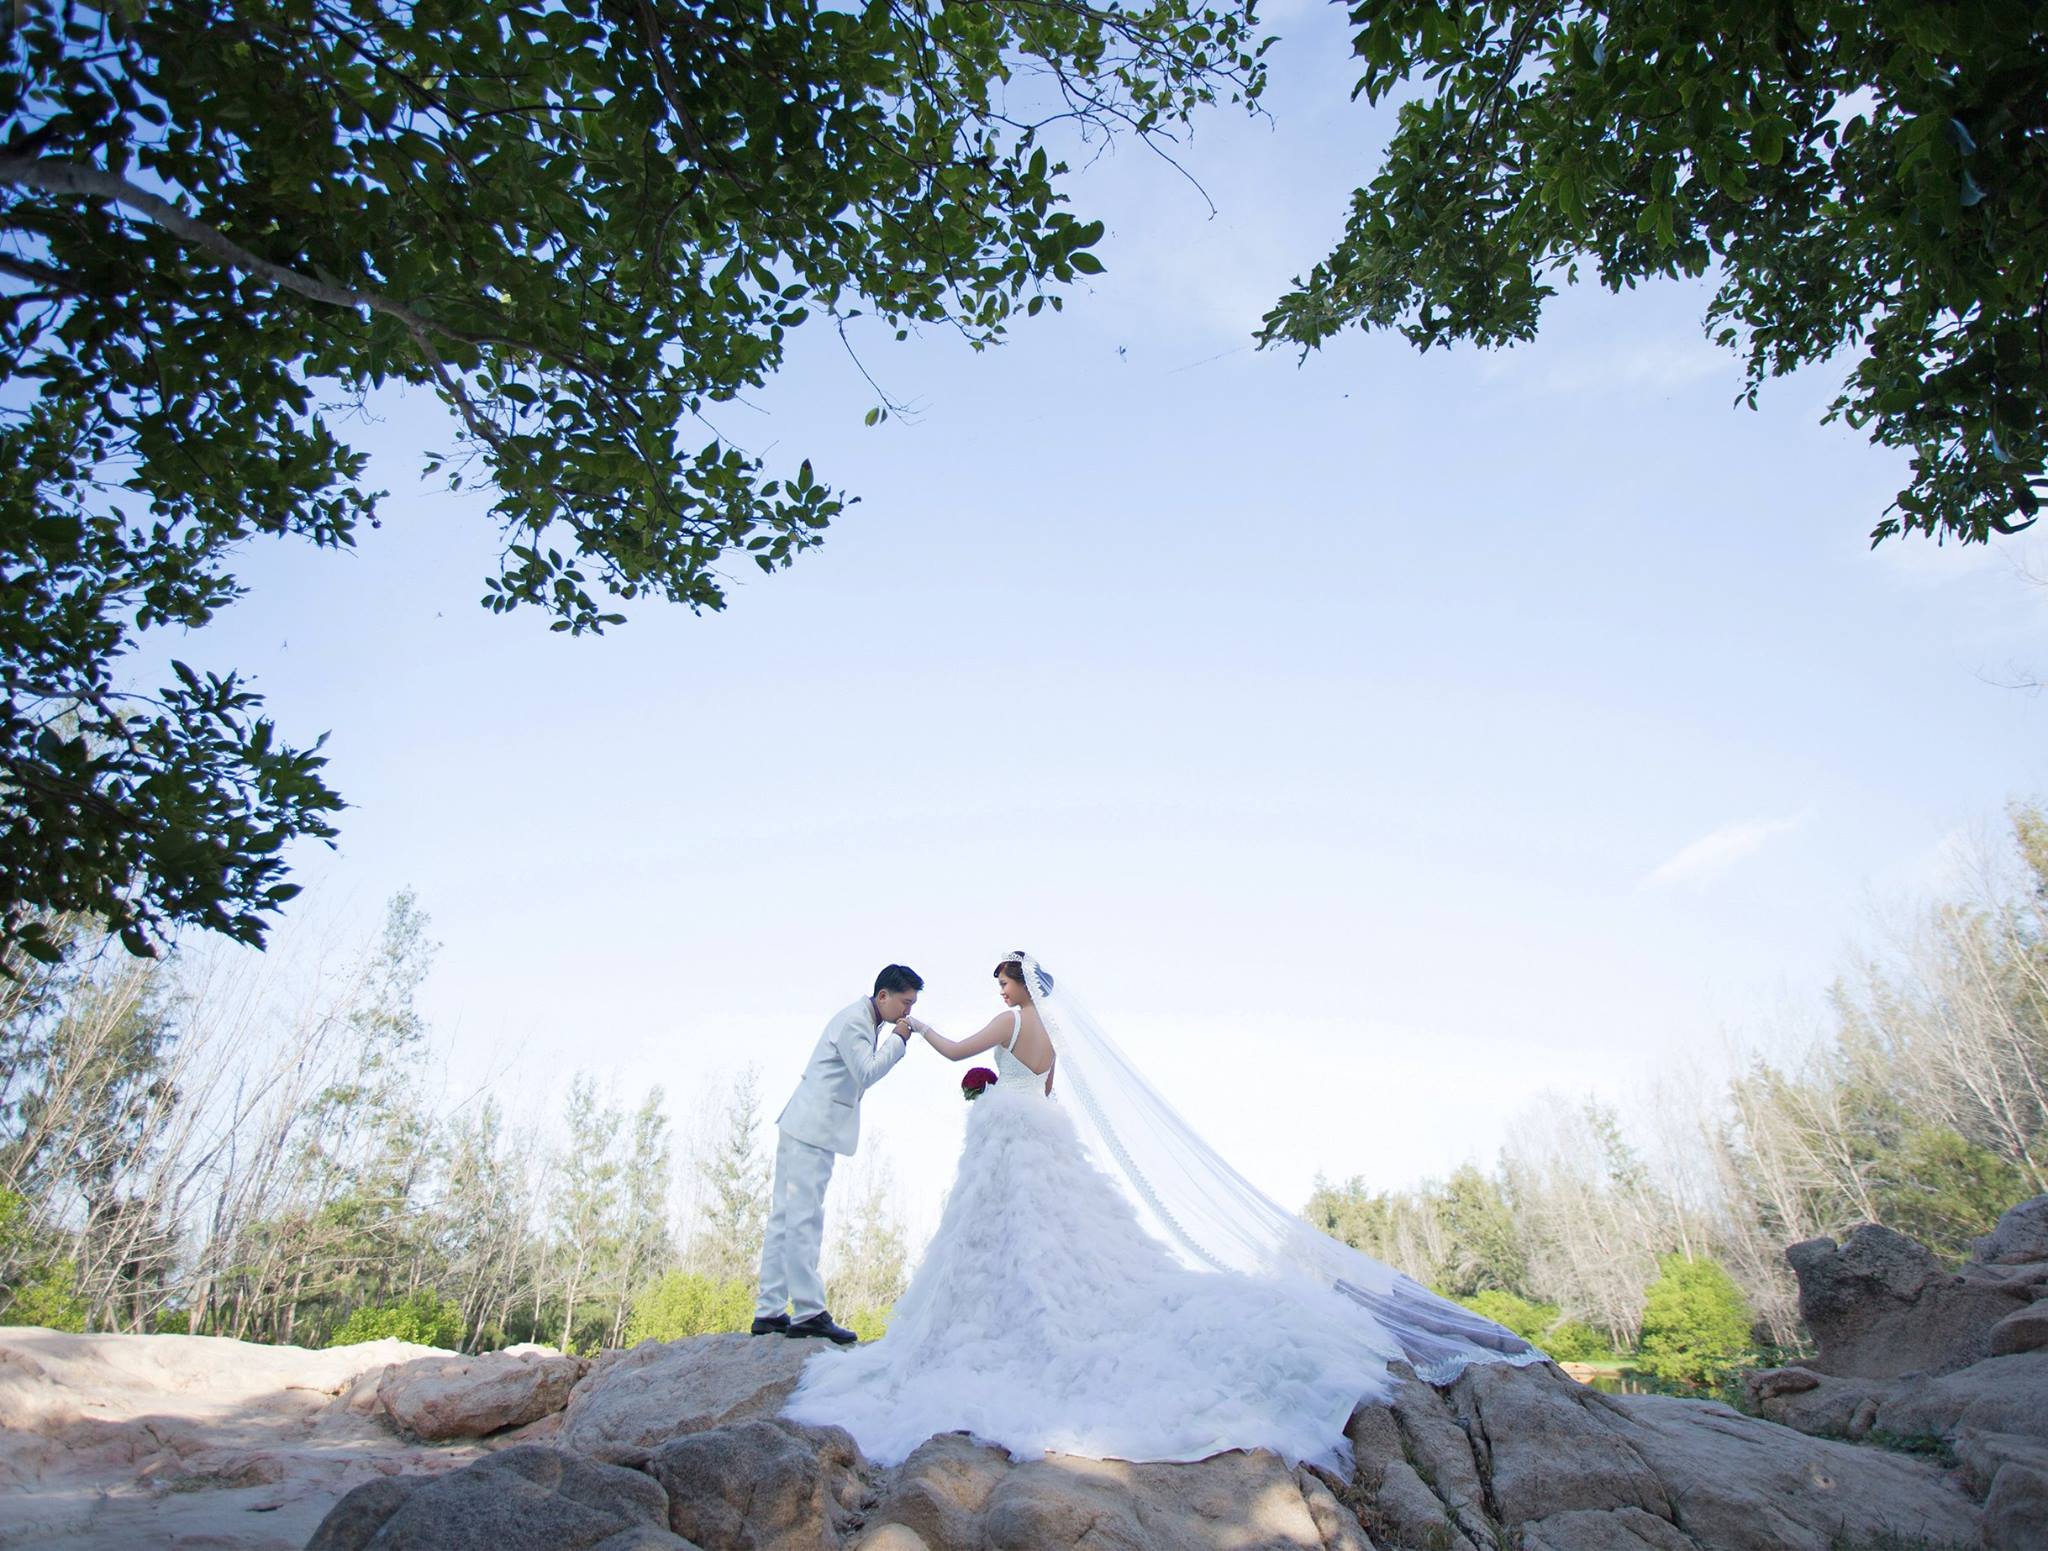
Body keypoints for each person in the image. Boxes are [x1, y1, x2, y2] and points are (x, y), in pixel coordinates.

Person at [783, 951, 1542, 1465]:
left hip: (1008, 1140)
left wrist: (915, 1029)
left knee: (1002, 1241)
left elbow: (956, 1053)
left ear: (1020, 985)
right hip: (1039, 1132)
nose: (1002, 989)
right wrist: (998, 1083)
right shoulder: (1052, 1040)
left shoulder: (1011, 1023)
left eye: (1005, 979)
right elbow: (1042, 1089)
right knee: (1053, 1239)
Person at [753, 964, 921, 1344]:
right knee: (803, 1218)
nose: (908, 1012)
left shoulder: (861, 1019)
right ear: (883, 996)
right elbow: (866, 1071)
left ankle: (769, 1311)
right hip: (812, 1129)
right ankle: (809, 1311)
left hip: (803, 1125)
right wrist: (899, 1041)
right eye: (905, 1003)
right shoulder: (855, 1022)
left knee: (784, 1217)